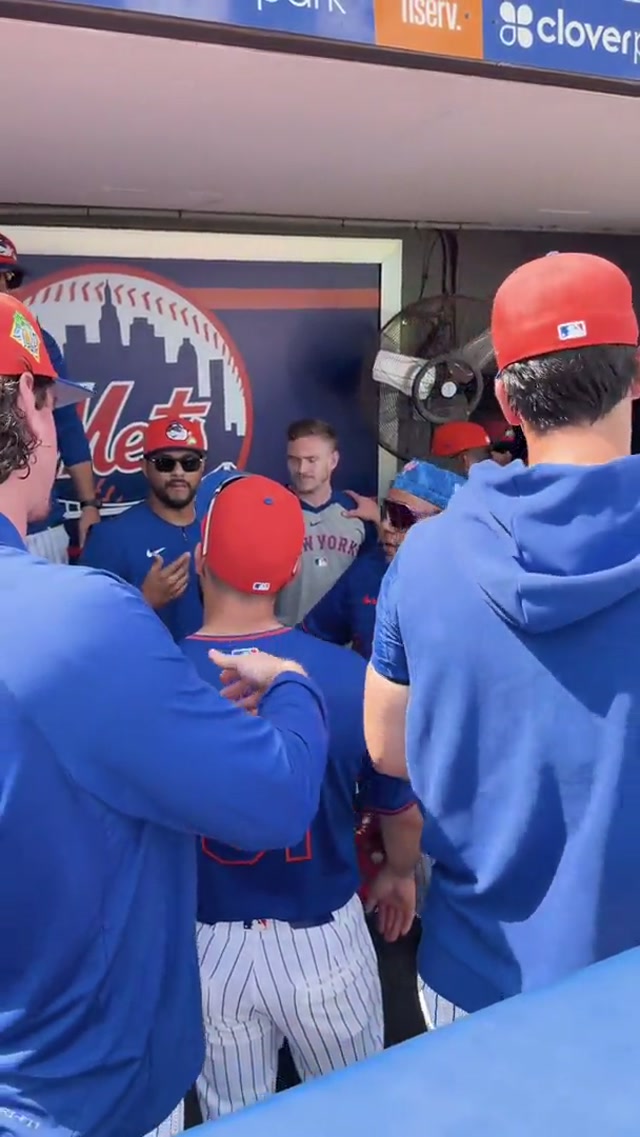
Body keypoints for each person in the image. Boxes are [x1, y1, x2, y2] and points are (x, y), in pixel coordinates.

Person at [0, 290, 329, 1137]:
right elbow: (277, 796)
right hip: (76, 1088)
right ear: (29, 412)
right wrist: (290, 682)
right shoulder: (79, 614)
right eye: (51, 404)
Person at [364, 251, 640, 1027]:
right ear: (635, 377)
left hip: (478, 980)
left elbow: (387, 747)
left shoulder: (426, 553)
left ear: (508, 402)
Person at [181, 470, 421, 1119]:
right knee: (357, 1111)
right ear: (292, 569)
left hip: (210, 944)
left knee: (236, 1116)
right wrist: (399, 873)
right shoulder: (350, 675)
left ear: (202, 554)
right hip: (322, 936)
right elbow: (399, 811)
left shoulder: (159, 674)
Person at [304, 459, 462, 1046]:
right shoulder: (367, 569)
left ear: (442, 522)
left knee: (445, 896)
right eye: (385, 512)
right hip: (385, 761)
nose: (388, 528)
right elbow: (315, 634)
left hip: (451, 771)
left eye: (402, 516)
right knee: (393, 897)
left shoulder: (475, 576)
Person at [0, 231, 100, 561]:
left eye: (8, 277)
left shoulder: (34, 338)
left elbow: (66, 424)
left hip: (34, 529)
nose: (3, 285)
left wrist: (88, 504)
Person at [81, 414, 206, 640]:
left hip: (214, 669)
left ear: (202, 467)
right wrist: (144, 600)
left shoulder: (219, 529)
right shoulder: (110, 537)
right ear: (145, 467)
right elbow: (86, 625)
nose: (178, 472)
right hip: (147, 670)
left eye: (189, 463)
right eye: (165, 463)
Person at [276, 418, 376, 627]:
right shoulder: (271, 512)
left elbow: (374, 577)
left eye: (312, 460)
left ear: (333, 461)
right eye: (294, 459)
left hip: (344, 647)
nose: (301, 469)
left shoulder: (358, 513)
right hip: (286, 640)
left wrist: (378, 519)